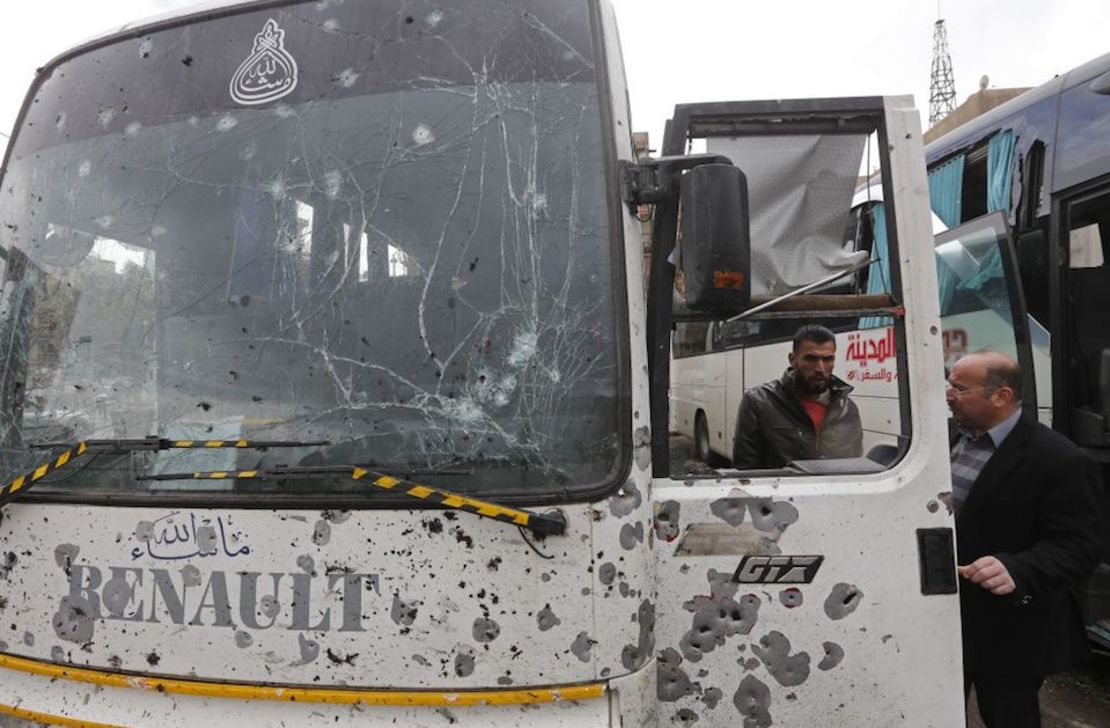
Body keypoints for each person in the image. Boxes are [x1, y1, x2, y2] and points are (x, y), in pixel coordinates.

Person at [947, 351, 1102, 728]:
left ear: (1000, 396)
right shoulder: (947, 438)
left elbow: (1080, 547)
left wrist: (1016, 567)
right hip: (946, 618)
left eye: (959, 388)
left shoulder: (1059, 459)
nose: (948, 394)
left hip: (1009, 632)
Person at [731, 324, 862, 468]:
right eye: (811, 359)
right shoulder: (759, 402)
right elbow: (746, 471)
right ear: (793, 360)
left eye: (828, 359)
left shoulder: (847, 409)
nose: (820, 368)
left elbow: (855, 467)